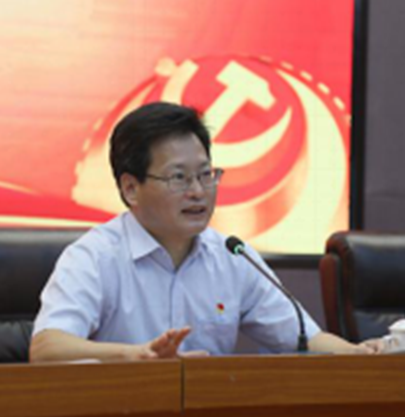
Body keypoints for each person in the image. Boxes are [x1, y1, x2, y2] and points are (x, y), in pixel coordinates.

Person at [30, 102, 383, 362]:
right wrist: (135, 355)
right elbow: (46, 348)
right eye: (179, 178)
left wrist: (359, 353)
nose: (198, 191)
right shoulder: (94, 257)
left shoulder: (231, 256)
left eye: (205, 174)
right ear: (131, 188)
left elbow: (304, 338)